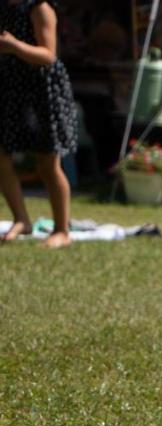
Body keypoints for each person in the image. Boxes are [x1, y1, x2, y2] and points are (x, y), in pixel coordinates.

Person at [0, 0, 77, 249]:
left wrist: (14, 46)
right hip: (13, 87)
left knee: (48, 163)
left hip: (43, 91)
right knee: (1, 154)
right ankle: (21, 219)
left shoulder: (40, 8)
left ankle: (62, 230)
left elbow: (48, 55)